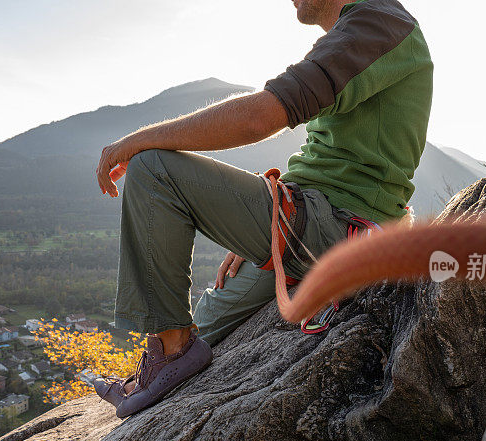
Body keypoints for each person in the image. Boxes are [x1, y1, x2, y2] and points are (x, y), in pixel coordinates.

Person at [93, 0, 433, 418]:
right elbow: (330, 159)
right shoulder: (357, 33)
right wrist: (268, 225)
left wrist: (139, 140)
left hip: (338, 227)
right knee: (210, 317)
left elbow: (261, 117)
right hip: (308, 219)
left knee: (152, 168)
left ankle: (169, 349)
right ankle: (169, 356)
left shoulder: (378, 25)